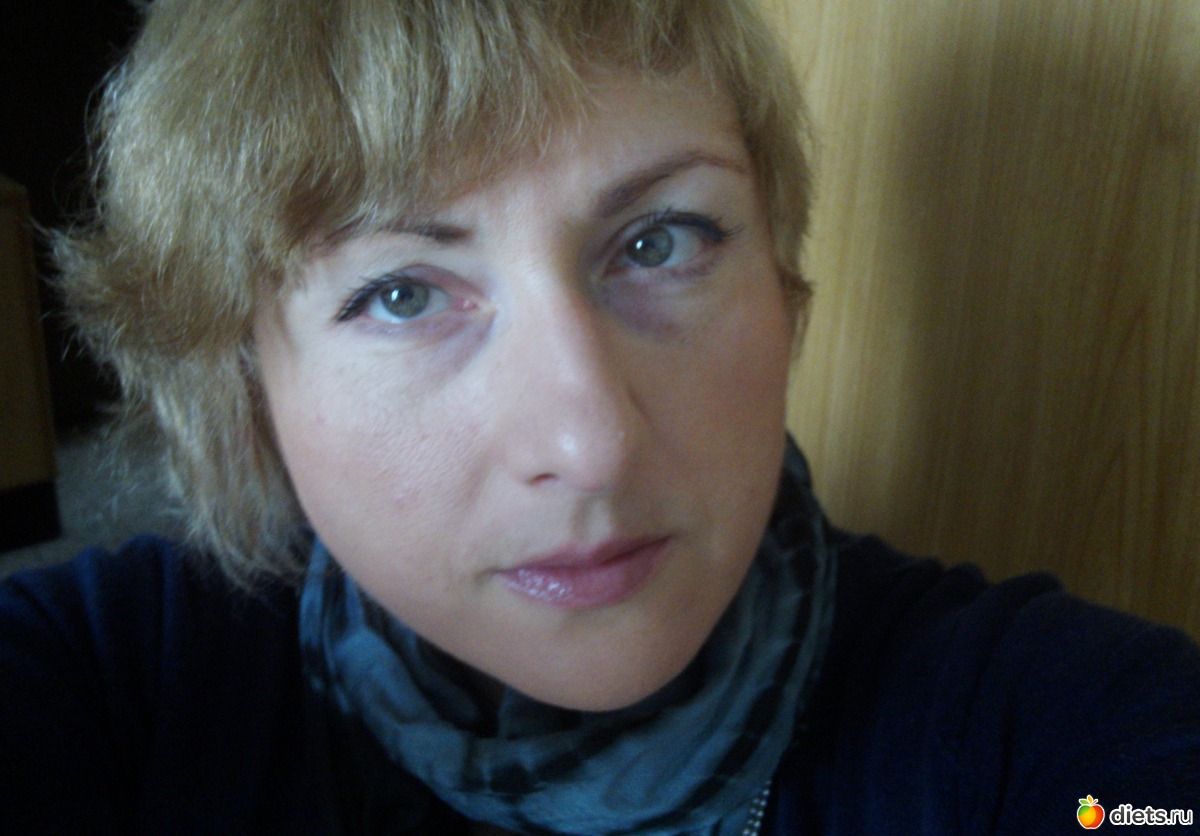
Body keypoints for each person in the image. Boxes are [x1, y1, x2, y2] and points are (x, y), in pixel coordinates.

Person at [2, 0, 1197, 833]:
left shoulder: (1036, 729)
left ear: (783, 289)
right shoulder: (108, 690)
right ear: (248, 389)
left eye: (660, 240)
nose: (592, 443)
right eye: (403, 292)